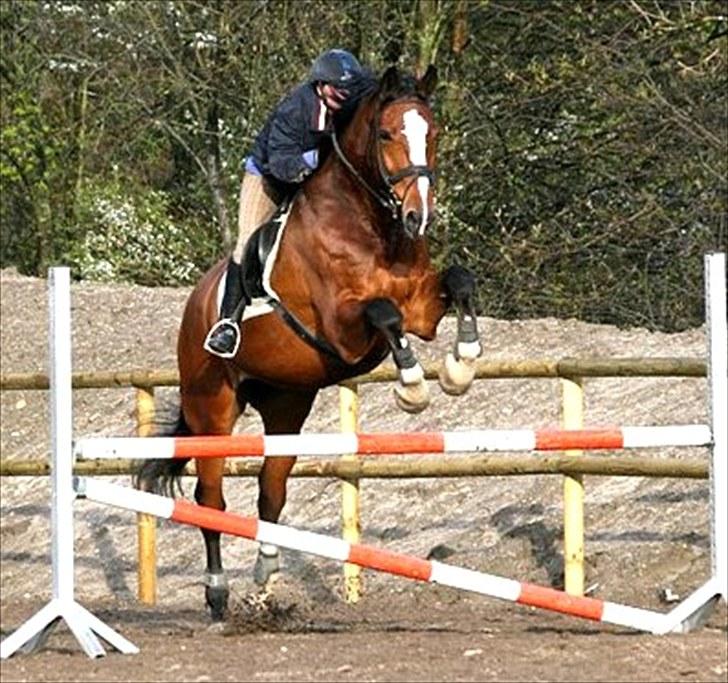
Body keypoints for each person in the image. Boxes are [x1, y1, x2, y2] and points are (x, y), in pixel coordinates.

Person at [204, 48, 373, 358]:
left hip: (318, 182)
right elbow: (281, 164)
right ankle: (228, 324)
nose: (344, 95)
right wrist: (316, 157)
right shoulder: (294, 110)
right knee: (247, 240)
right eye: (337, 88)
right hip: (270, 175)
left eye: (349, 89)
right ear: (320, 86)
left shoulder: (352, 94)